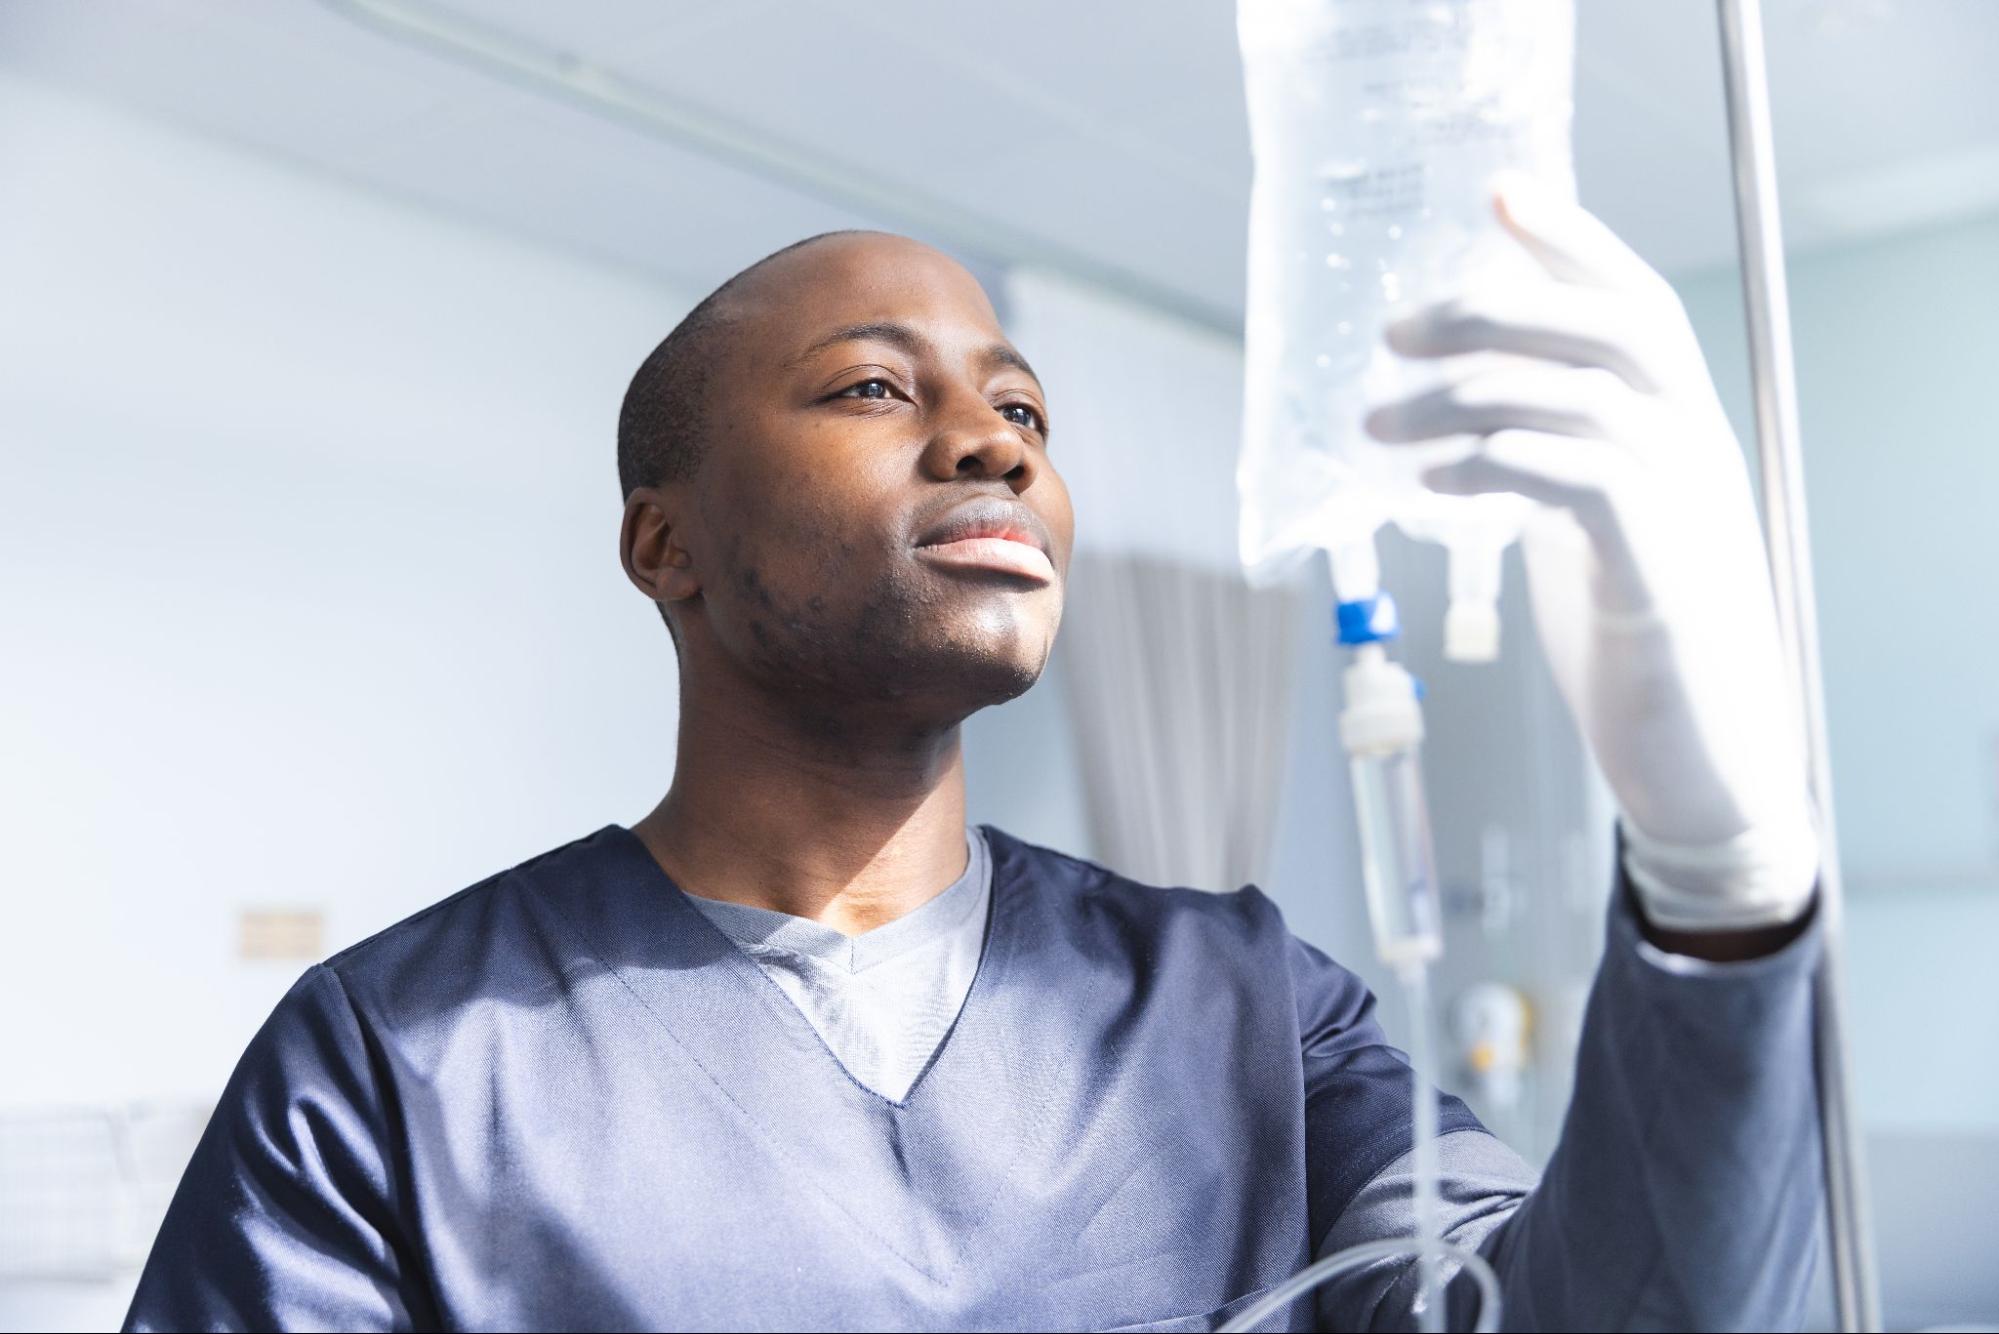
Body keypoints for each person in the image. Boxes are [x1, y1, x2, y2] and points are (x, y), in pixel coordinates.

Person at [125, 180, 1826, 1332]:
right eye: (873, 388)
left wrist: (1719, 879)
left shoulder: (1236, 1002)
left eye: (1024, 413)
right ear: (666, 544)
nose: (988, 444)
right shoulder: (398, 1066)